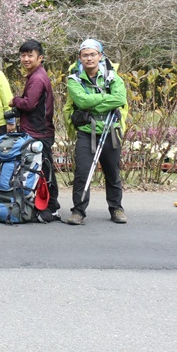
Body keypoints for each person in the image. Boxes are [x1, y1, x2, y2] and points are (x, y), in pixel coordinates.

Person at [66, 39, 128, 225]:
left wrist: (94, 101)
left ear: (100, 56)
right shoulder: (74, 79)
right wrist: (105, 98)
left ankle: (116, 209)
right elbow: (81, 102)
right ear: (80, 58)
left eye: (93, 54)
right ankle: (78, 211)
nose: (89, 58)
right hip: (86, 131)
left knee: (112, 172)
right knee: (82, 173)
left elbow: (120, 98)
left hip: (110, 130)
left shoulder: (112, 77)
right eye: (85, 55)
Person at [9, 39, 60, 223]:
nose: (26, 59)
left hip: (39, 131)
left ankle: (52, 207)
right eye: (23, 55)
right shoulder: (35, 75)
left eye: (30, 55)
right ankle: (39, 205)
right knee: (39, 170)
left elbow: (29, 104)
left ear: (40, 57)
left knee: (44, 170)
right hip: (36, 130)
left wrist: (15, 101)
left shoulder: (37, 78)